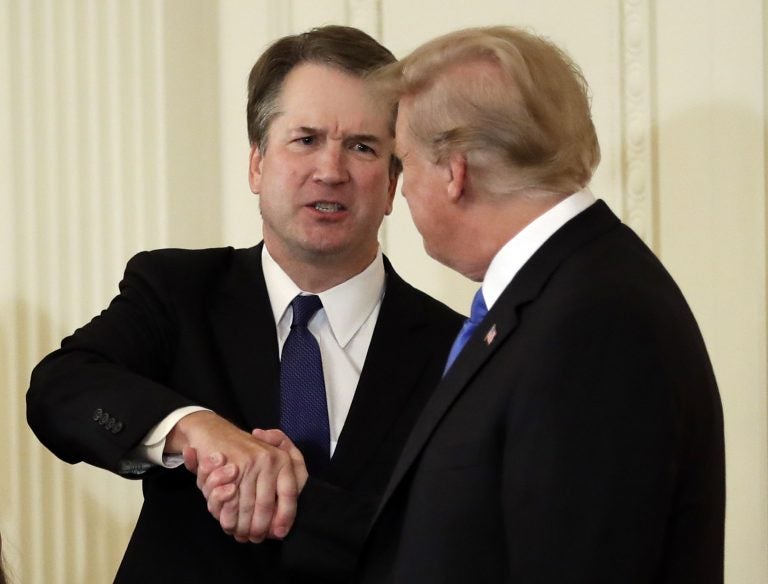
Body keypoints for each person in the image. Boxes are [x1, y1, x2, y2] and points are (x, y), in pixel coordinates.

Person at [26, 25, 461, 583]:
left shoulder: (457, 347)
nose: (331, 170)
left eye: (362, 146)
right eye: (304, 139)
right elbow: (59, 389)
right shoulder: (178, 289)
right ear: (257, 164)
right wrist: (197, 430)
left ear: (393, 183)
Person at [353, 26, 725, 583]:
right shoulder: (564, 293)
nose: (399, 189)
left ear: (454, 172)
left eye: (403, 163)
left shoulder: (596, 321)